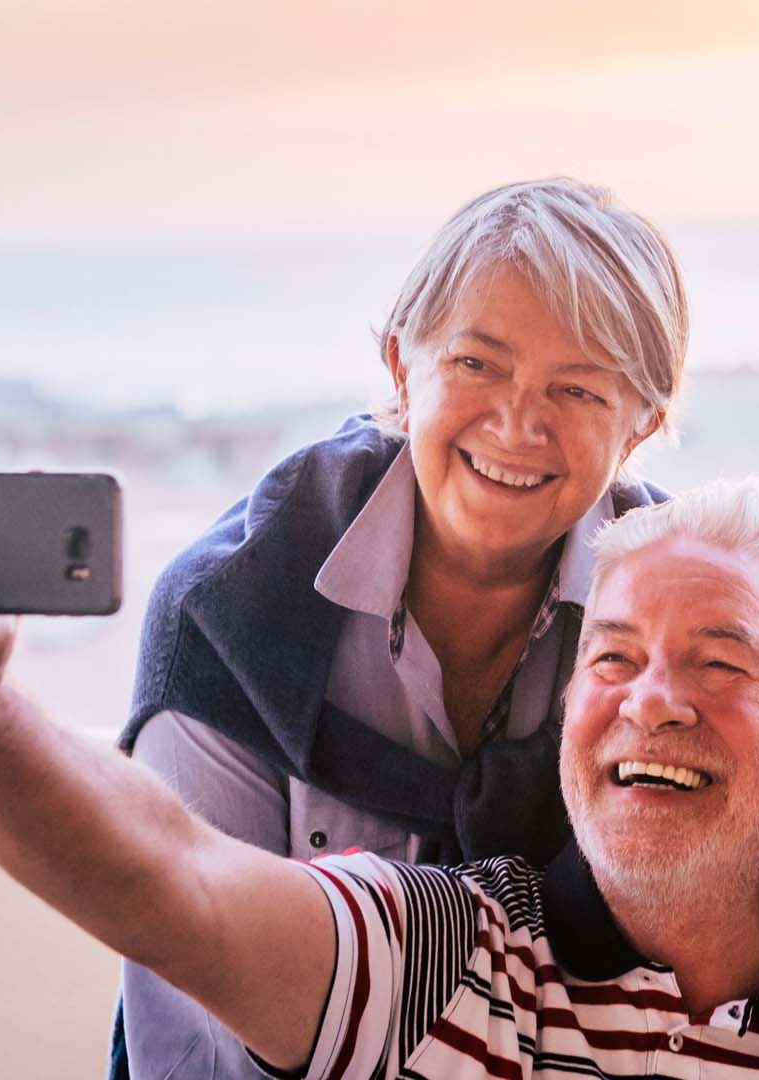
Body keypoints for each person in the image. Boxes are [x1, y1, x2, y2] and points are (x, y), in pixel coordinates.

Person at [0, 478, 759, 1080]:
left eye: (720, 661)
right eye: (612, 656)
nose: (652, 697)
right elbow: (175, 882)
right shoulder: (432, 958)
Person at [103, 178, 688, 1076]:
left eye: (576, 390)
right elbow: (201, 1005)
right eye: (475, 364)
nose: (516, 423)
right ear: (400, 367)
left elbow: (698, 963)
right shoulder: (229, 608)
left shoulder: (676, 622)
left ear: (640, 428)